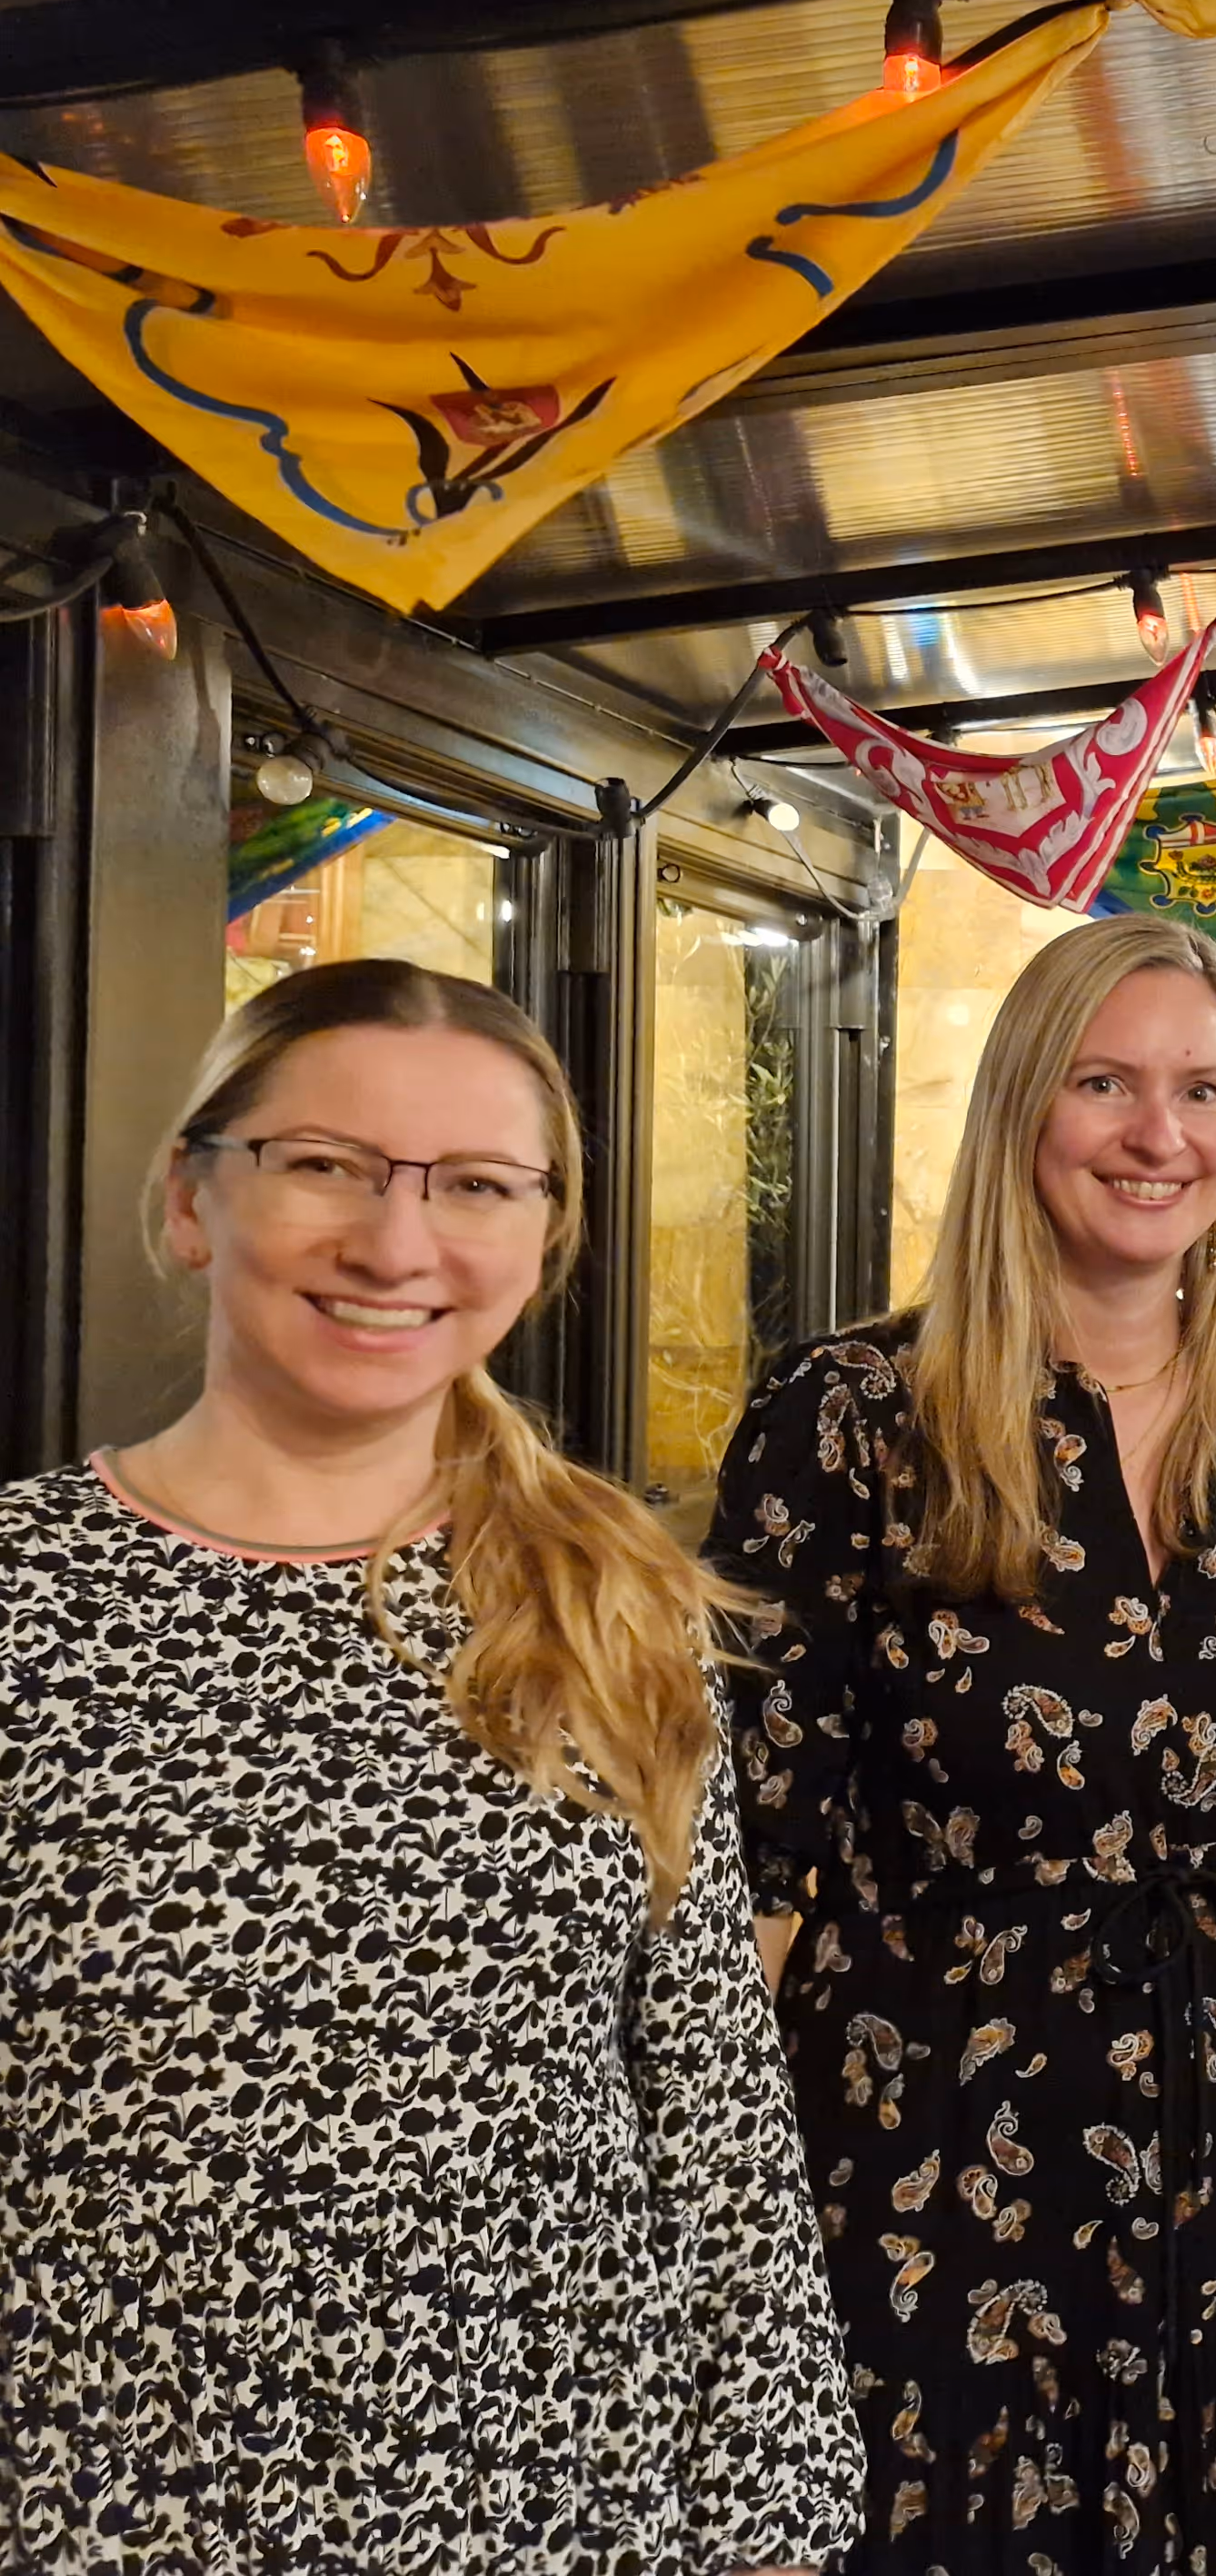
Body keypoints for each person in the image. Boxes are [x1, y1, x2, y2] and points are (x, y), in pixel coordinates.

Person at [0, 958, 860, 2572]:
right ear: (193, 1202)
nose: (396, 1243)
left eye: (472, 1185)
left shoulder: (620, 1616)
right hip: (113, 2522)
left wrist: (771, 2534)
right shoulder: (25, 1608)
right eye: (324, 1164)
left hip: (559, 2522)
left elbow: (719, 2131)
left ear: (540, 1240)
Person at [707, 913, 1216, 2571]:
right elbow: (762, 1841)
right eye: (1107, 1083)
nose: (1162, 1136)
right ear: (1021, 1109)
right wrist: (705, 2225)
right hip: (944, 2152)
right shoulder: (846, 1417)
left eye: (1205, 1091)